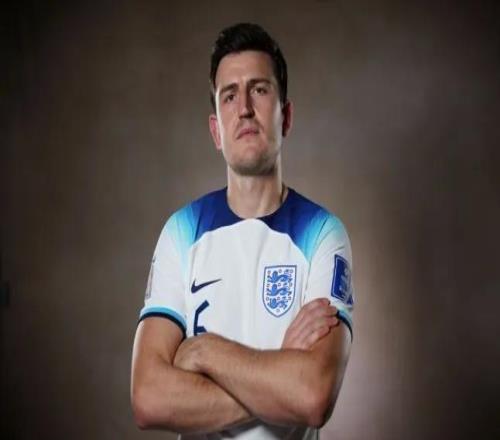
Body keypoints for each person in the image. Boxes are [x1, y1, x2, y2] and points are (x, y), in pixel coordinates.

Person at [131, 22, 354, 440]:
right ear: (216, 130)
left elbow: (312, 396)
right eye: (229, 95)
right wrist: (278, 376)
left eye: (260, 90)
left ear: (286, 117)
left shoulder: (323, 233)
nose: (245, 108)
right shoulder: (181, 232)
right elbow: (148, 398)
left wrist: (202, 351)